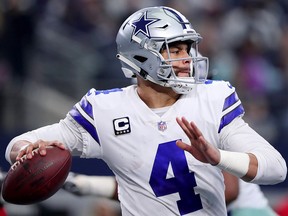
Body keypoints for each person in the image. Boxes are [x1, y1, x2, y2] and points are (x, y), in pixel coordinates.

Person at [4, 6, 287, 216]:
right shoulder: (103, 109)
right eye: (174, 50)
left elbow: (276, 168)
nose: (187, 59)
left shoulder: (212, 97)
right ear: (141, 56)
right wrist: (28, 151)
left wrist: (218, 157)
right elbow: (18, 145)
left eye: (188, 49)